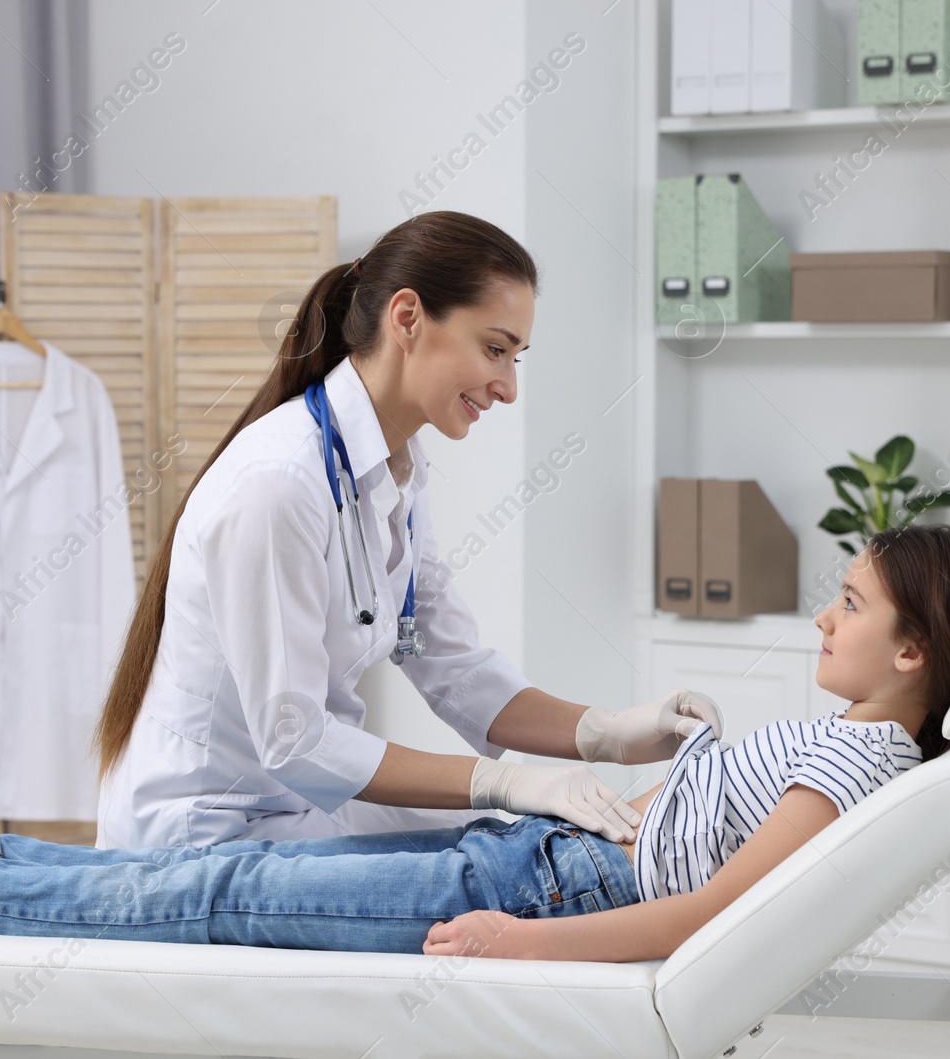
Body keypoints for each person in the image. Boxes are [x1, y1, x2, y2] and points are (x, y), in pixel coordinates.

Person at [0, 525, 950, 961]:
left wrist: (527, 944)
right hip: (539, 852)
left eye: (851, 604)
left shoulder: (857, 761)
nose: (825, 613)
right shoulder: (856, 738)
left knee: (226, 890)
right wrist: (627, 749)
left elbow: (710, 919)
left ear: (915, 651)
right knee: (234, 875)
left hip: (541, 887)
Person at [91, 209, 719, 850]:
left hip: (297, 809)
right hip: (204, 837)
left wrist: (612, 732)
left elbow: (456, 668)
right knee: (515, 852)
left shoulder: (398, 470)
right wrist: (506, 783)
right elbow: (295, 740)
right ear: (408, 318)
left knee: (521, 839)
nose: (508, 388)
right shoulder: (278, 483)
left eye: (517, 357)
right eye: (495, 349)